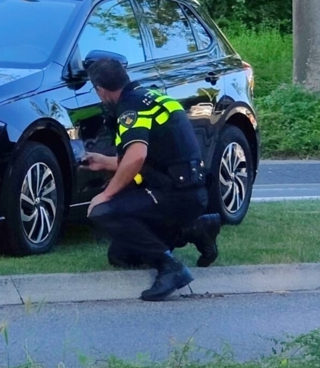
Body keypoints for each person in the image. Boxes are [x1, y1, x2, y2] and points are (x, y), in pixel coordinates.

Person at [81, 57, 219, 301]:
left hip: (174, 193)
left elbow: (136, 156)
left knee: (103, 211)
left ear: (100, 90)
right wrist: (104, 161)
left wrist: (106, 194)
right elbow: (151, 158)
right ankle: (194, 230)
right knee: (122, 256)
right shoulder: (150, 97)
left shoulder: (130, 107)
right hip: (186, 189)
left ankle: (170, 268)